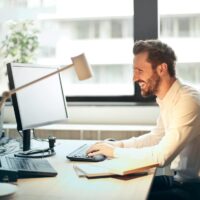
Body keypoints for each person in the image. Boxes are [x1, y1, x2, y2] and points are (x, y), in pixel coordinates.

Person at [87, 40, 200, 200]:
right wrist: (118, 145)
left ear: (161, 68)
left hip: (192, 188)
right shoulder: (168, 99)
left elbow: (161, 157)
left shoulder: (188, 101)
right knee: (113, 187)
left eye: (139, 70)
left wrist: (113, 152)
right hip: (175, 180)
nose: (134, 78)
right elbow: (157, 137)